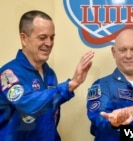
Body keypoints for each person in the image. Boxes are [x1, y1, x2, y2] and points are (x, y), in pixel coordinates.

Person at [0, 10, 94, 141]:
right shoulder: (8, 74)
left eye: (52, 37)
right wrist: (71, 85)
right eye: (42, 37)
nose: (49, 43)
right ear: (24, 38)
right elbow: (29, 105)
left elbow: (50, 119)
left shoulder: (50, 74)